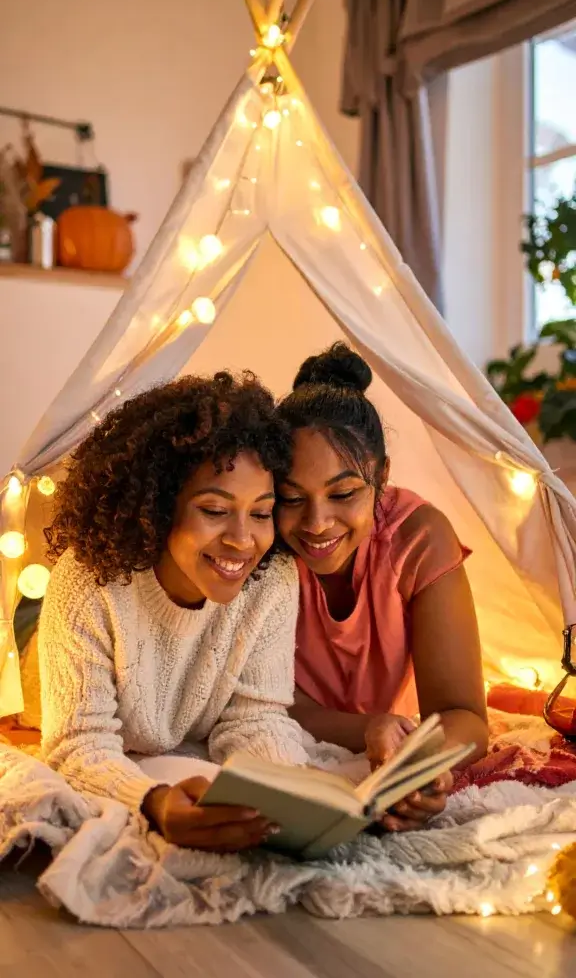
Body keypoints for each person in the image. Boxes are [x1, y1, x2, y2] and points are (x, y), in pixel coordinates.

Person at [39, 372, 308, 854]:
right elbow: (78, 745)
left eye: (261, 512)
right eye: (214, 509)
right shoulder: (87, 582)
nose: (243, 540)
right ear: (160, 507)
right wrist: (153, 803)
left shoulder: (272, 580)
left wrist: (291, 798)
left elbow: (255, 718)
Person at [275, 343, 488, 832]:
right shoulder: (262, 542)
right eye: (291, 497)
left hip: (390, 737)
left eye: (344, 494)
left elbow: (466, 718)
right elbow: (263, 703)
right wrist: (369, 729)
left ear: (383, 476)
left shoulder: (418, 538)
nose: (317, 522)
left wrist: (420, 767)